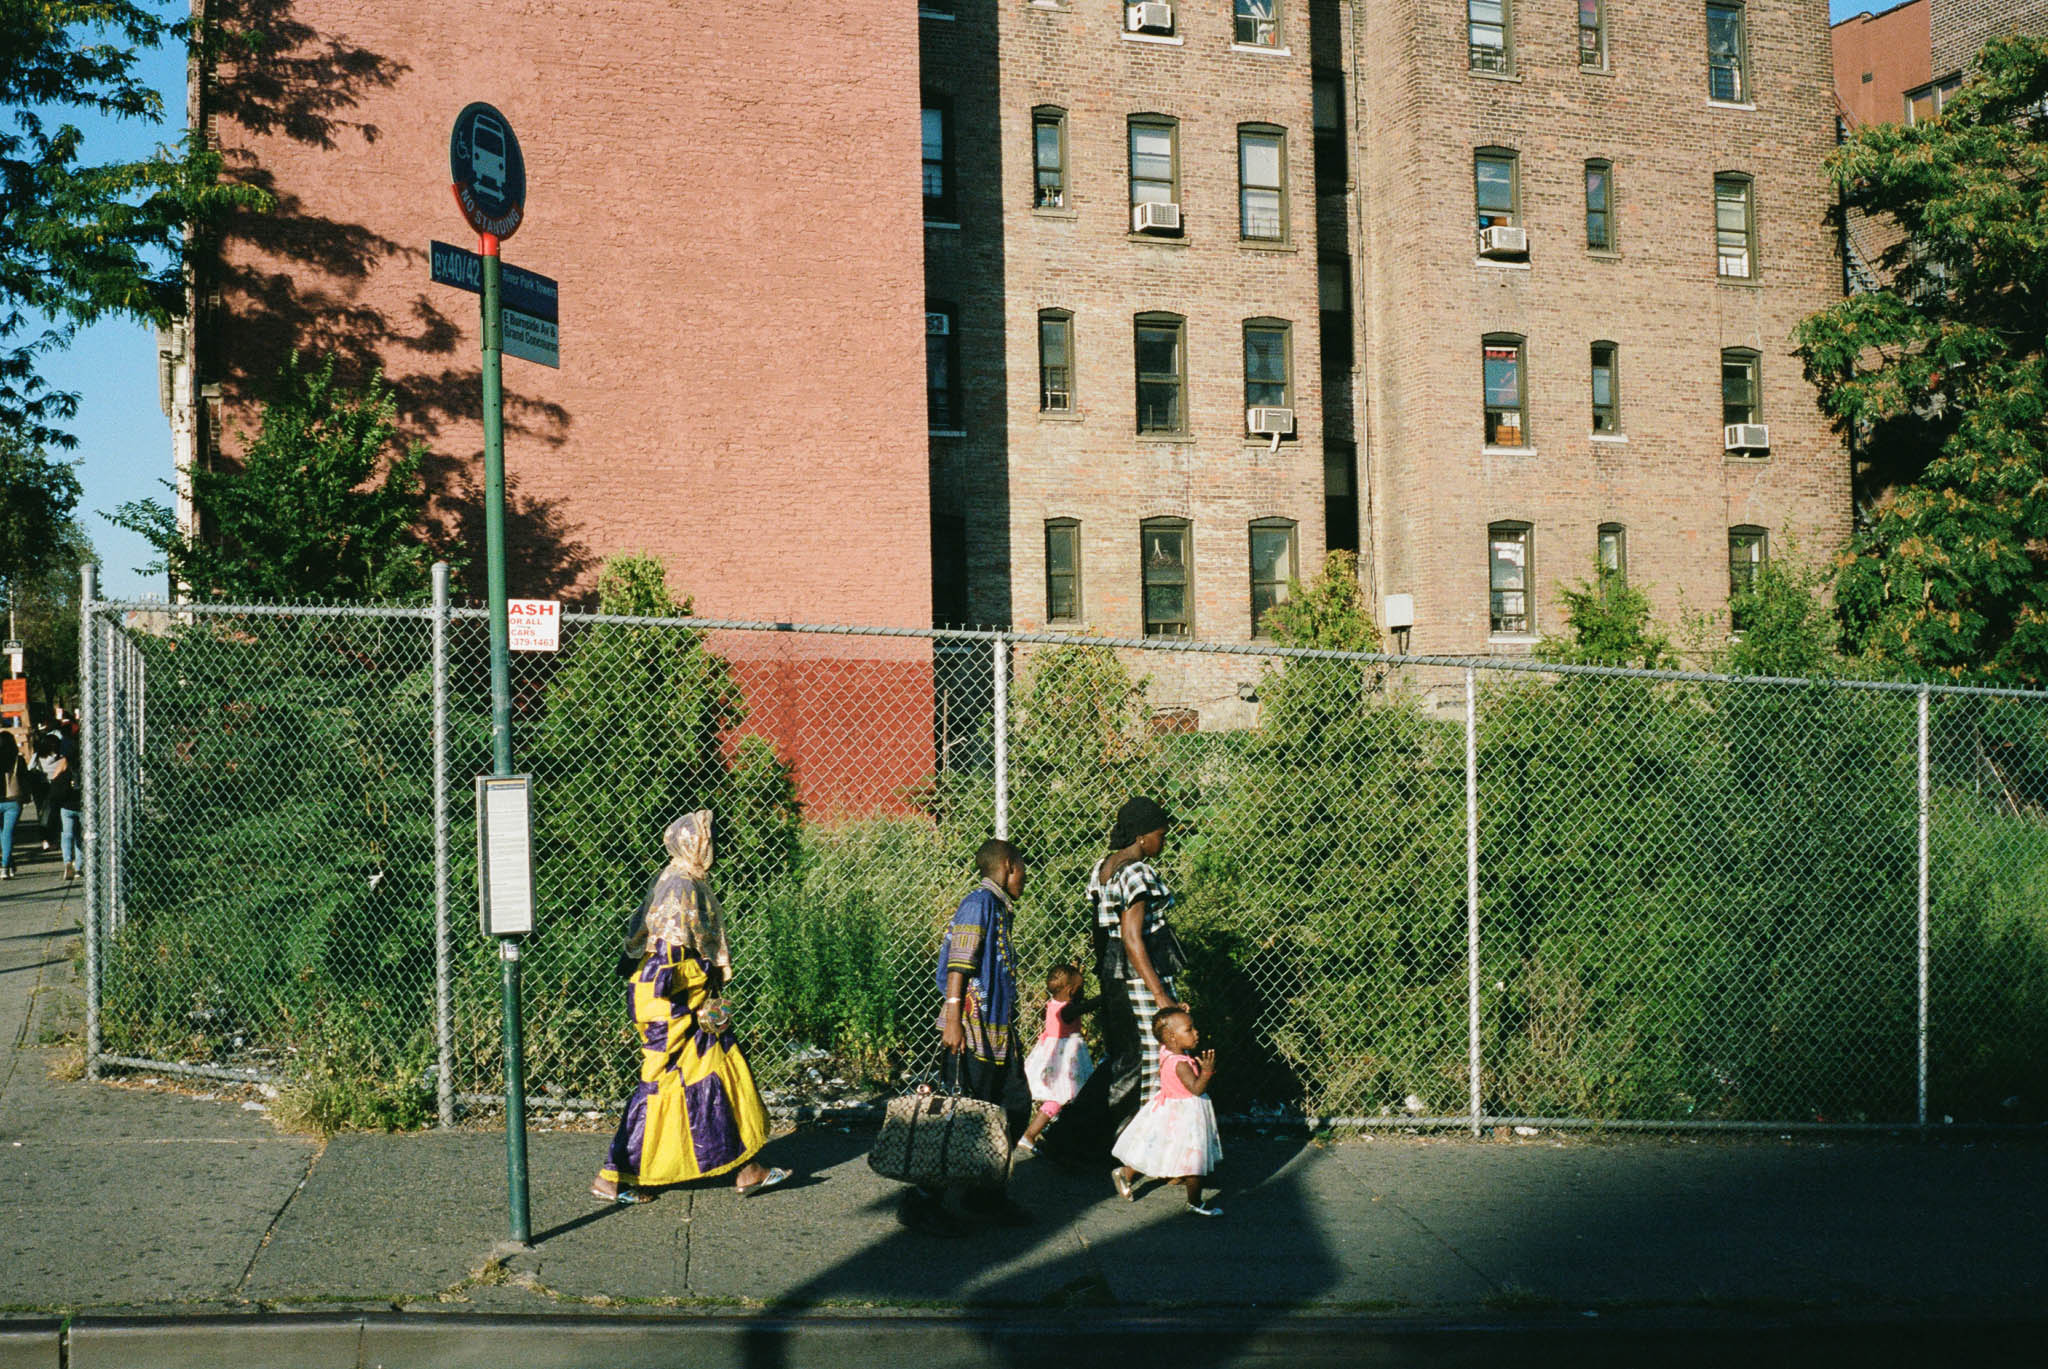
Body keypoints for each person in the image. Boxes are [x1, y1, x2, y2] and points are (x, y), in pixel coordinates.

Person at [591, 810, 791, 1205]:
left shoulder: (672, 877)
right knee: (665, 1084)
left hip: (672, 1001)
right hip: (673, 1005)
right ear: (692, 844)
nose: (712, 845)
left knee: (708, 1078)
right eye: (708, 839)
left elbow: (637, 940)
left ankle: (739, 1169)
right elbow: (669, 951)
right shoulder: (682, 886)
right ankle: (613, 1177)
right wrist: (687, 1001)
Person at [1039, 796, 1186, 1165]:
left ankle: (1072, 1142)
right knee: (1147, 1062)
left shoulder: (1104, 867)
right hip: (1140, 978)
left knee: (1121, 1060)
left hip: (1116, 975)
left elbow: (1100, 933)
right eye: (1160, 834)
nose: (1163, 841)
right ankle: (1116, 1149)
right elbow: (1134, 937)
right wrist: (1162, 997)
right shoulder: (1137, 872)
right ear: (1142, 835)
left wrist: (1107, 978)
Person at [904, 837, 1033, 1237]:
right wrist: (955, 1018)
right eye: (1023, 868)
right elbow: (960, 962)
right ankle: (923, 1202)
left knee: (1012, 1106)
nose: (1026, 878)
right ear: (1009, 865)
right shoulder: (979, 903)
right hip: (972, 1030)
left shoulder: (997, 906)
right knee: (959, 1118)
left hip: (996, 1032)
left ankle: (984, 1194)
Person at [1110, 1007, 1223, 1217]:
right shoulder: (1181, 1064)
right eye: (1189, 1030)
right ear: (1172, 1037)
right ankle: (1195, 1202)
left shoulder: (1168, 1052)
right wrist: (1207, 1072)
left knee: (1157, 1148)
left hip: (1169, 1111)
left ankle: (1126, 1173)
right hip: (1186, 1114)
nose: (1196, 1032)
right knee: (1194, 1158)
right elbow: (1196, 1089)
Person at [1015, 963, 1095, 1156]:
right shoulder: (1066, 1010)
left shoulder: (1054, 1003)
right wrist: (1104, 998)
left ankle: (1045, 1135)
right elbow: (1082, 1008)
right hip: (1065, 1058)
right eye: (1081, 988)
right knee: (1061, 1097)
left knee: (1061, 1098)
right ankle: (1031, 1134)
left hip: (1058, 1055)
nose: (1083, 992)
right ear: (1071, 990)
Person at [43, 744, 80, 881]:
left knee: (67, 834)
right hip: (83, 806)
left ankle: (67, 861)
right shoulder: (89, 768)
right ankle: (79, 867)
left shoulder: (65, 763)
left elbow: (54, 780)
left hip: (66, 805)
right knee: (79, 837)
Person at [0, 733, 30, 878]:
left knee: (2, 834)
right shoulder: (18, 759)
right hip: (13, 800)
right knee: (8, 833)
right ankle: (6, 865)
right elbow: (25, 779)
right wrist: (26, 797)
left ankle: (7, 861)